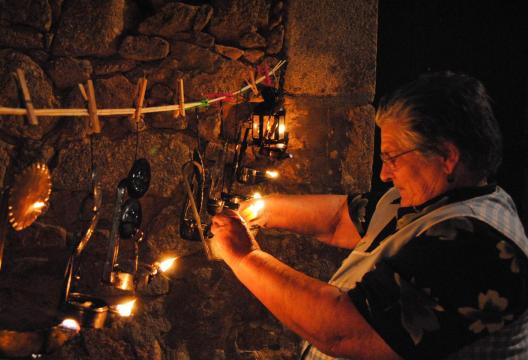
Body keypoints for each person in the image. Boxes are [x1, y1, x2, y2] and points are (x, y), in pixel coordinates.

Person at [211, 71, 528, 359]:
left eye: (392, 158)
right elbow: (338, 219)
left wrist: (244, 256)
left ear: (447, 156)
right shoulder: (424, 200)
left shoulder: (476, 245)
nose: (384, 174)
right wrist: (261, 211)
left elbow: (341, 331)